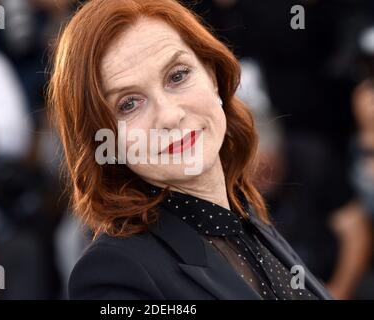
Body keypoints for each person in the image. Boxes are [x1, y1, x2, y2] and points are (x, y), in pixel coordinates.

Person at [48, 0, 332, 300]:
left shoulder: (247, 219)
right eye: (128, 104)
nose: (169, 116)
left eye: (178, 76)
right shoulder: (112, 274)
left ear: (211, 75)